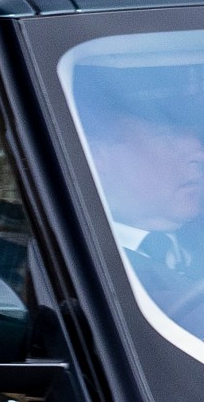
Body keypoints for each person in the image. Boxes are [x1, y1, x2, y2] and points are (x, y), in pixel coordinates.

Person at [83, 98, 204, 327]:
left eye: (198, 137)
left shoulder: (197, 241)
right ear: (97, 155)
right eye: (167, 137)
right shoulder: (77, 261)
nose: (200, 155)